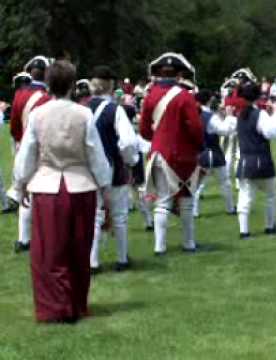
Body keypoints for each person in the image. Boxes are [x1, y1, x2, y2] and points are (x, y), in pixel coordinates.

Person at [13, 60, 111, 323]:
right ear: (71, 85)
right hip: (81, 186)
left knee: (48, 252)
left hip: (47, 186)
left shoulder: (37, 115)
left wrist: (21, 182)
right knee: (79, 249)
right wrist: (105, 188)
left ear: (48, 84)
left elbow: (27, 154)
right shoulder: (84, 114)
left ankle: (54, 307)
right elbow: (96, 155)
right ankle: (76, 304)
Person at [140, 52, 204, 255]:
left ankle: (160, 247)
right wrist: (198, 145)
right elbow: (195, 127)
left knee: (162, 202)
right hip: (182, 155)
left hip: (158, 153)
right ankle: (189, 243)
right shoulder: (185, 96)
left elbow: (144, 130)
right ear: (179, 75)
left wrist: (158, 139)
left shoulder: (150, 96)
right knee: (185, 201)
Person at [88, 66, 139, 273]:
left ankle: (92, 261)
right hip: (112, 167)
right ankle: (121, 259)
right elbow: (127, 142)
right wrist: (131, 161)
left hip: (87, 169)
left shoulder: (81, 108)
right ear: (111, 86)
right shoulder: (115, 110)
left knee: (94, 216)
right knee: (119, 215)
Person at [9, 55, 52, 253]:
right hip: (45, 150)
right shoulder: (49, 97)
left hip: (24, 148)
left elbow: (15, 127)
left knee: (24, 191)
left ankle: (23, 238)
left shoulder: (19, 95)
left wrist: (20, 142)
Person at [234, 82, 276, 238]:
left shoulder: (240, 114)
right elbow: (272, 133)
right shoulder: (259, 114)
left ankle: (244, 231)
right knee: (271, 195)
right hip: (261, 160)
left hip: (244, 161)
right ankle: (270, 226)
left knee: (245, 198)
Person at [193, 90, 236, 217]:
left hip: (200, 153)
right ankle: (230, 208)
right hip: (213, 153)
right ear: (209, 100)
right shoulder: (210, 116)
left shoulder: (193, 114)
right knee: (225, 183)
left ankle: (194, 211)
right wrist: (229, 116)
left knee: (198, 185)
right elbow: (224, 130)